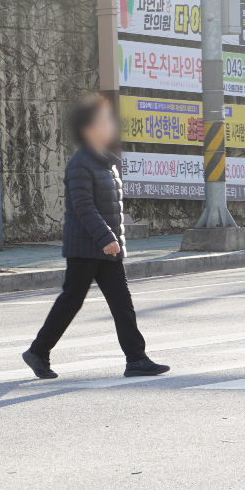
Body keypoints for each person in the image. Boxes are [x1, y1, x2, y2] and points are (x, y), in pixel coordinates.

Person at [22, 94, 169, 380]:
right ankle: (38, 351)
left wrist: (110, 239)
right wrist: (105, 237)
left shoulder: (106, 163)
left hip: (105, 246)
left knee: (122, 302)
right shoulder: (81, 163)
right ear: (88, 128)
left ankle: (136, 359)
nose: (110, 124)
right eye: (103, 120)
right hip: (86, 246)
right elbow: (83, 205)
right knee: (71, 301)